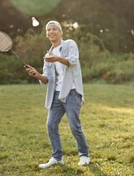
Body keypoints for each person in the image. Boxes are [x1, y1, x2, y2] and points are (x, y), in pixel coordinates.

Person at [25, 20, 90, 168]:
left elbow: (73, 61)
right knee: (51, 125)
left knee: (74, 126)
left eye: (54, 29)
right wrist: (37, 74)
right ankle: (57, 157)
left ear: (60, 32)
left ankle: (84, 154)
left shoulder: (69, 44)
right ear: (46, 34)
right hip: (56, 94)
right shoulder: (48, 54)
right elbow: (47, 79)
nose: (51, 32)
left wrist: (57, 59)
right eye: (48, 30)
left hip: (72, 92)